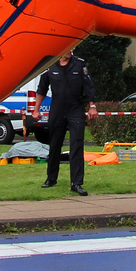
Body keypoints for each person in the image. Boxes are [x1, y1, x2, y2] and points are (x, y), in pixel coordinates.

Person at [37, 47, 98, 195]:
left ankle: (76, 183)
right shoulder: (50, 65)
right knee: (55, 144)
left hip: (75, 108)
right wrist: (36, 109)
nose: (70, 50)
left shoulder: (79, 64)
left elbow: (88, 86)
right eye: (67, 48)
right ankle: (51, 178)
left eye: (72, 48)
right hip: (57, 108)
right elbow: (42, 89)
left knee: (76, 144)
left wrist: (92, 106)